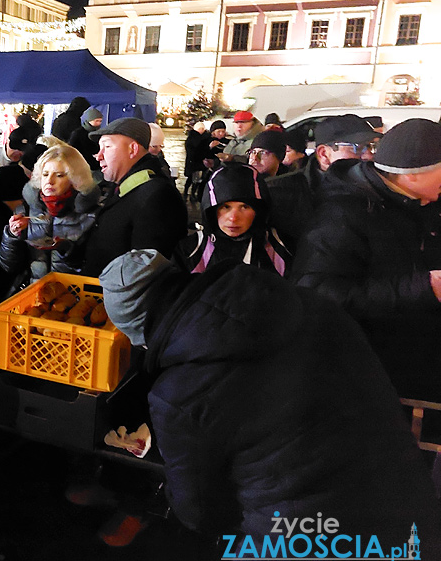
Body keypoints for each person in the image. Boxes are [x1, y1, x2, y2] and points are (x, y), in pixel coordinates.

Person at [99, 249, 441, 561]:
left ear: (142, 329)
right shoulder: (314, 305)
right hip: (408, 505)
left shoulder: (179, 393)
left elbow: (201, 512)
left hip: (301, 546)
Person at [292, 118, 441, 403]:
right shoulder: (343, 216)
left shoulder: (425, 202)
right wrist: (423, 287)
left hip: (426, 362)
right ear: (412, 174)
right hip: (376, 378)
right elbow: (314, 294)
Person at [80, 118, 188, 277]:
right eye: (99, 148)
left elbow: (148, 270)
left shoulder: (158, 196)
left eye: (107, 147)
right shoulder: (125, 185)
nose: (99, 156)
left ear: (133, 149)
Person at [266, 114, 377, 253]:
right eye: (358, 147)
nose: (369, 155)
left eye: (372, 147)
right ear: (324, 154)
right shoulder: (278, 192)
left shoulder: (378, 190)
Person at [0, 144, 99, 287]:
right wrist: (12, 235)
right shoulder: (25, 210)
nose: (49, 181)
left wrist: (66, 248)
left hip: (74, 294)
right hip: (32, 294)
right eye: (45, 174)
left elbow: (95, 268)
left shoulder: (92, 214)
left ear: (75, 179)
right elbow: (8, 265)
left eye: (59, 175)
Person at [178, 163, 291, 275]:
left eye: (244, 207)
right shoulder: (189, 251)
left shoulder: (281, 248)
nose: (233, 218)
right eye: (225, 207)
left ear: (258, 211)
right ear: (211, 210)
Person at [68, 105, 103, 172]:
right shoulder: (77, 134)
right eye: (96, 121)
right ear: (89, 120)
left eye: (100, 121)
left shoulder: (99, 133)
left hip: (97, 166)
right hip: (82, 167)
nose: (99, 123)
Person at [182, 121, 209, 199]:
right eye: (199, 128)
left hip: (200, 162)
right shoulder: (192, 137)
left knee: (197, 179)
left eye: (202, 128)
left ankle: (193, 193)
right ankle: (186, 192)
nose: (201, 130)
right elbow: (191, 149)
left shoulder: (205, 137)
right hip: (193, 162)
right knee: (191, 178)